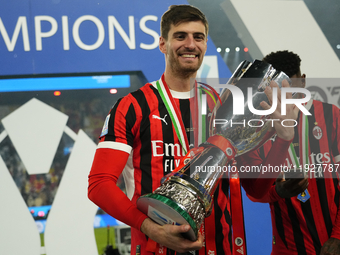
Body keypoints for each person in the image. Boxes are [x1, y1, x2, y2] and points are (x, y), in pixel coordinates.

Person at [88, 5, 296, 255]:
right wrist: (151, 228)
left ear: (205, 45)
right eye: (180, 36)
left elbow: (256, 190)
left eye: (198, 37)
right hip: (156, 248)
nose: (190, 44)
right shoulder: (132, 107)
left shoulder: (222, 107)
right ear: (162, 44)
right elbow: (99, 185)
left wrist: (284, 139)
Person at [246, 50, 340, 255]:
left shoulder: (331, 115)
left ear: (303, 82)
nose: (287, 95)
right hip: (288, 247)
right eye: (279, 89)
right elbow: (255, 193)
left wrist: (338, 236)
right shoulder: (256, 128)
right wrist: (278, 192)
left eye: (293, 87)